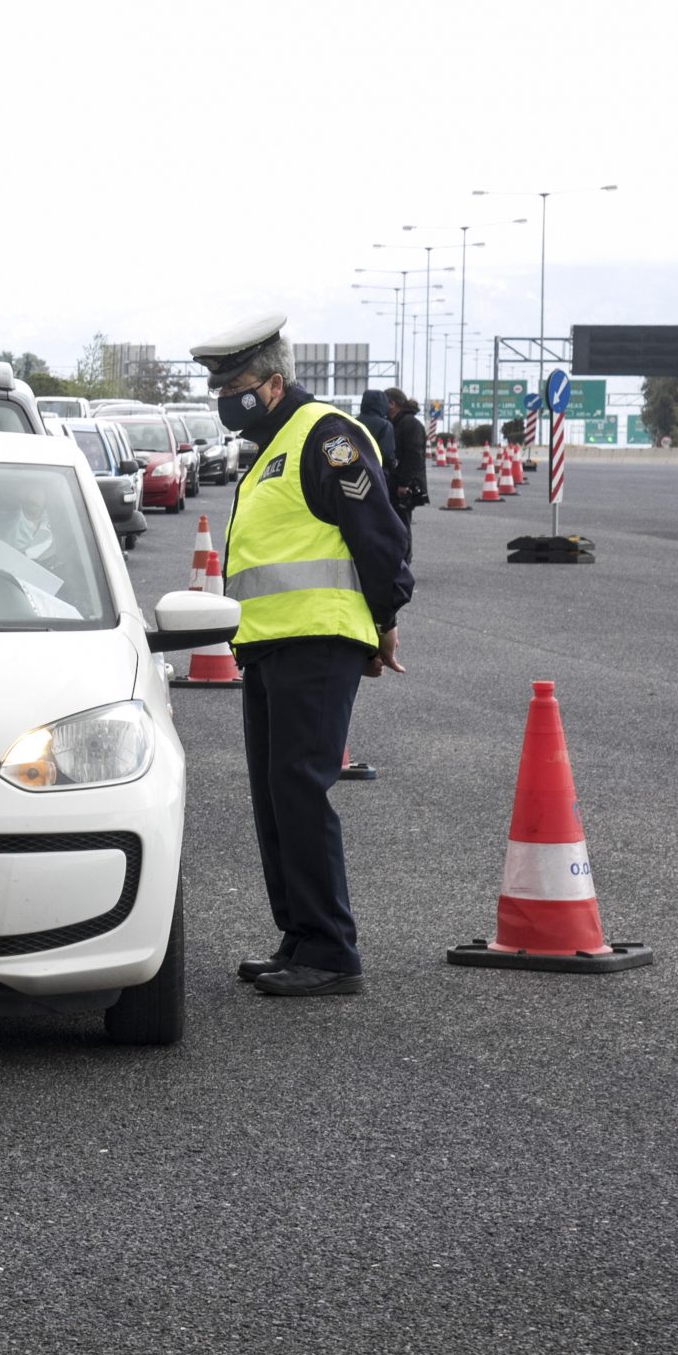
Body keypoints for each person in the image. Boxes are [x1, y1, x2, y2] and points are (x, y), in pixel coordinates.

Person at [191, 314, 412, 999]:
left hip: (317, 640)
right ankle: (298, 935)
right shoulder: (271, 444)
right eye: (219, 386)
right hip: (269, 645)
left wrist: (383, 618)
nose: (227, 396)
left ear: (276, 382)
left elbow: (378, 533)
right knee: (274, 795)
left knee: (299, 789)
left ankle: (329, 948)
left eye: (237, 384)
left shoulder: (327, 435)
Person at [384, 389, 431, 553]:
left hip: (406, 486)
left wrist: (404, 484)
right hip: (397, 482)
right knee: (395, 523)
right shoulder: (395, 422)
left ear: (392, 404)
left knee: (402, 525)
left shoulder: (410, 424)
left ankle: (405, 561)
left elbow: (413, 457)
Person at [357, 389, 399, 483]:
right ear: (383, 405)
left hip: (355, 474)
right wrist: (394, 463)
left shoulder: (352, 422)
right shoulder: (385, 425)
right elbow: (386, 454)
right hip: (378, 475)